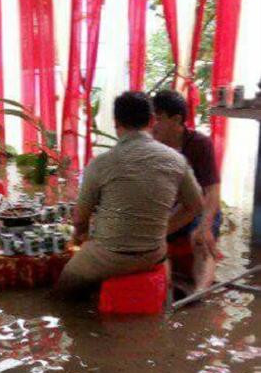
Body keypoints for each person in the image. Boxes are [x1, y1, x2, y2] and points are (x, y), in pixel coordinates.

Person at [58, 91, 203, 293]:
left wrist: (80, 237)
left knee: (65, 284)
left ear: (116, 123)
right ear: (152, 120)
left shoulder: (101, 163)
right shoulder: (177, 160)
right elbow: (196, 206)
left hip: (108, 257)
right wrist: (162, 231)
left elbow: (80, 218)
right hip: (154, 255)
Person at [152, 89, 221, 290]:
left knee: (199, 240)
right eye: (152, 119)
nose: (153, 125)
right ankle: (166, 287)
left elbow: (213, 190)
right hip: (173, 208)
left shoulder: (200, 144)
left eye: (159, 119)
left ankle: (199, 294)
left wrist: (205, 226)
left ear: (176, 120)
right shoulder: (152, 145)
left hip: (200, 207)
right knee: (148, 237)